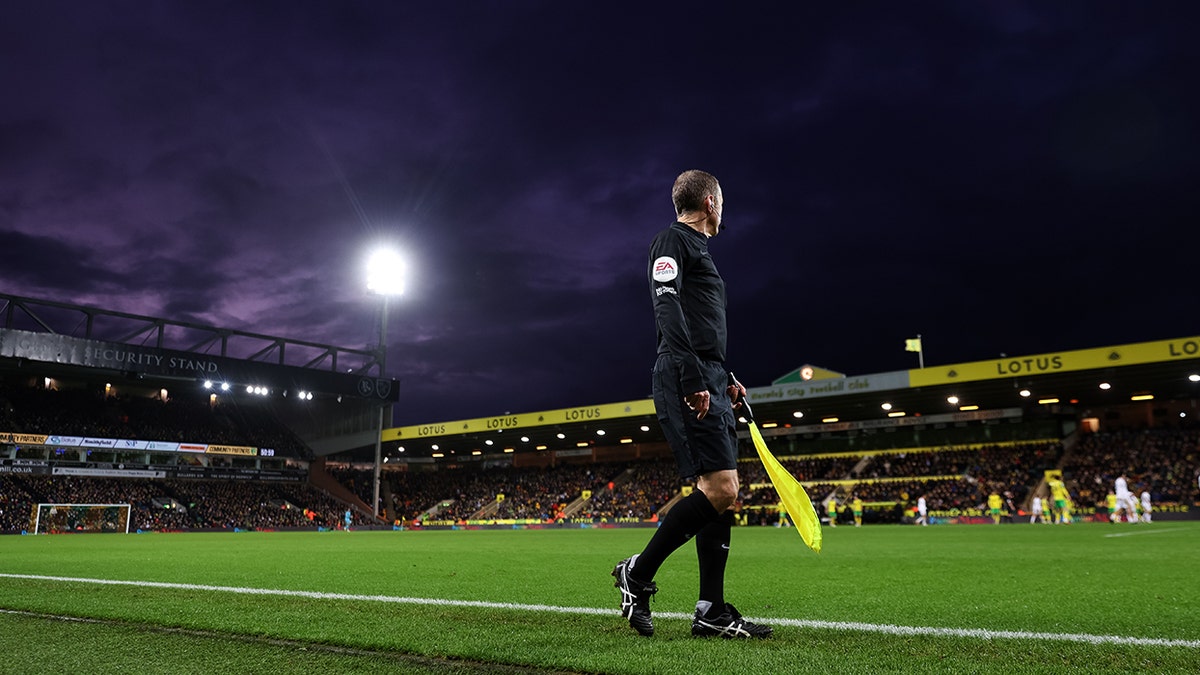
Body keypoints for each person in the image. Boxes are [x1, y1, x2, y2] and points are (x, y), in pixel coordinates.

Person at [612, 170, 771, 640]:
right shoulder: (671, 241)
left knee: (725, 491)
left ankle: (711, 609)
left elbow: (700, 323)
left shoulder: (700, 252)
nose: (725, 209)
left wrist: (725, 375)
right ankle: (637, 574)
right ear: (709, 201)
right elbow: (667, 309)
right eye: (723, 201)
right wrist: (694, 375)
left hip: (709, 374)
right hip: (686, 374)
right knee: (720, 488)